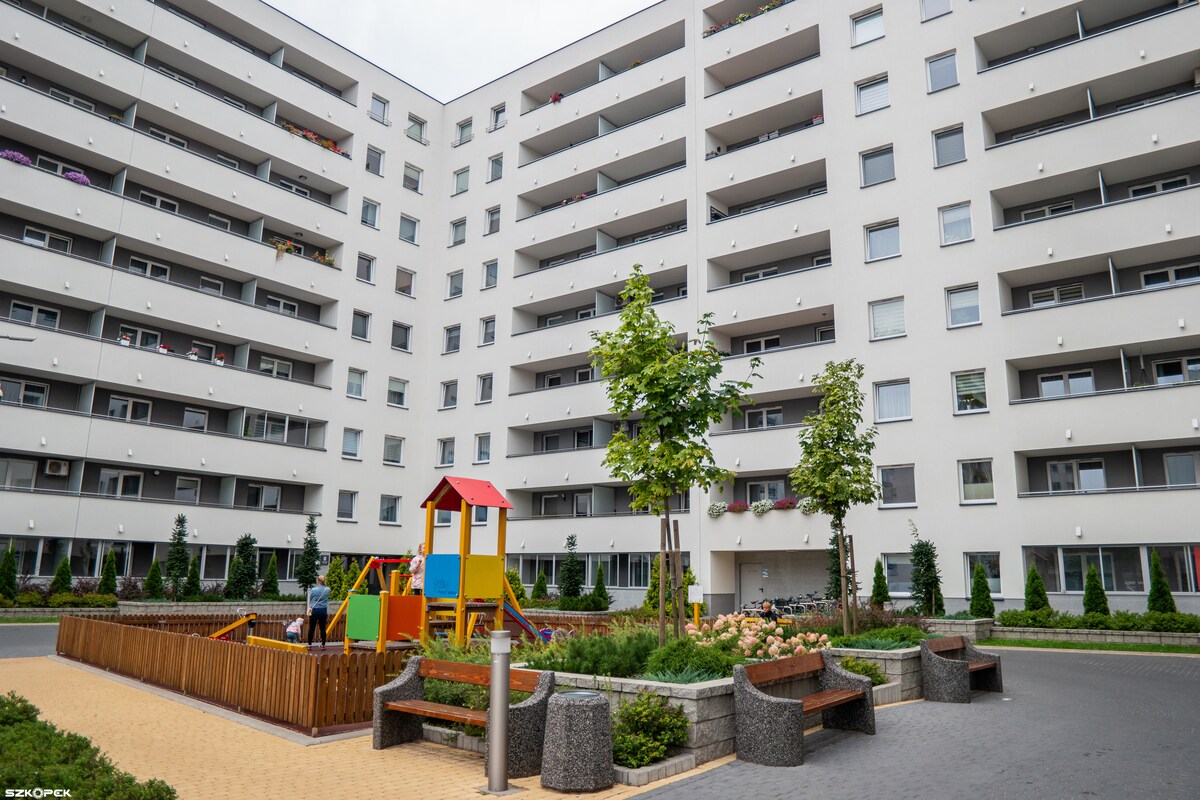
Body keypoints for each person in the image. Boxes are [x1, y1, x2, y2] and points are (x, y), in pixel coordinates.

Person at [307, 575, 330, 647]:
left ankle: (309, 644)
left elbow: (311, 598)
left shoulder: (314, 590)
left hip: (314, 609)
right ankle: (323, 645)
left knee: (312, 628)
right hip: (323, 610)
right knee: (323, 628)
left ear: (318, 581)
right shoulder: (327, 589)